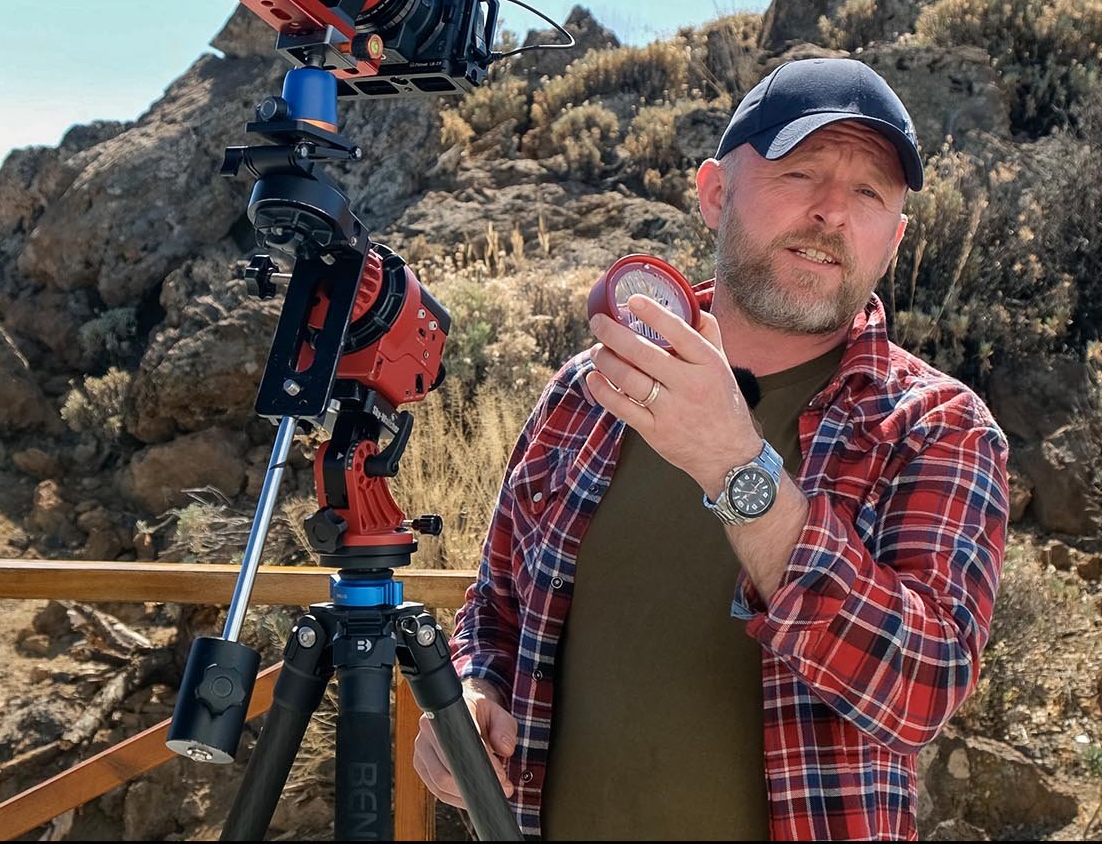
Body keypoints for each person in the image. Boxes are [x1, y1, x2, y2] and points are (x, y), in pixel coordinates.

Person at [413, 56, 1010, 840]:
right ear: (714, 193)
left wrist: (735, 465)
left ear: (893, 241)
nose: (833, 211)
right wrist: (472, 694)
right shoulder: (590, 390)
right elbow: (494, 608)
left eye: (870, 192)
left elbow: (922, 689)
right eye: (801, 171)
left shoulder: (936, 427)